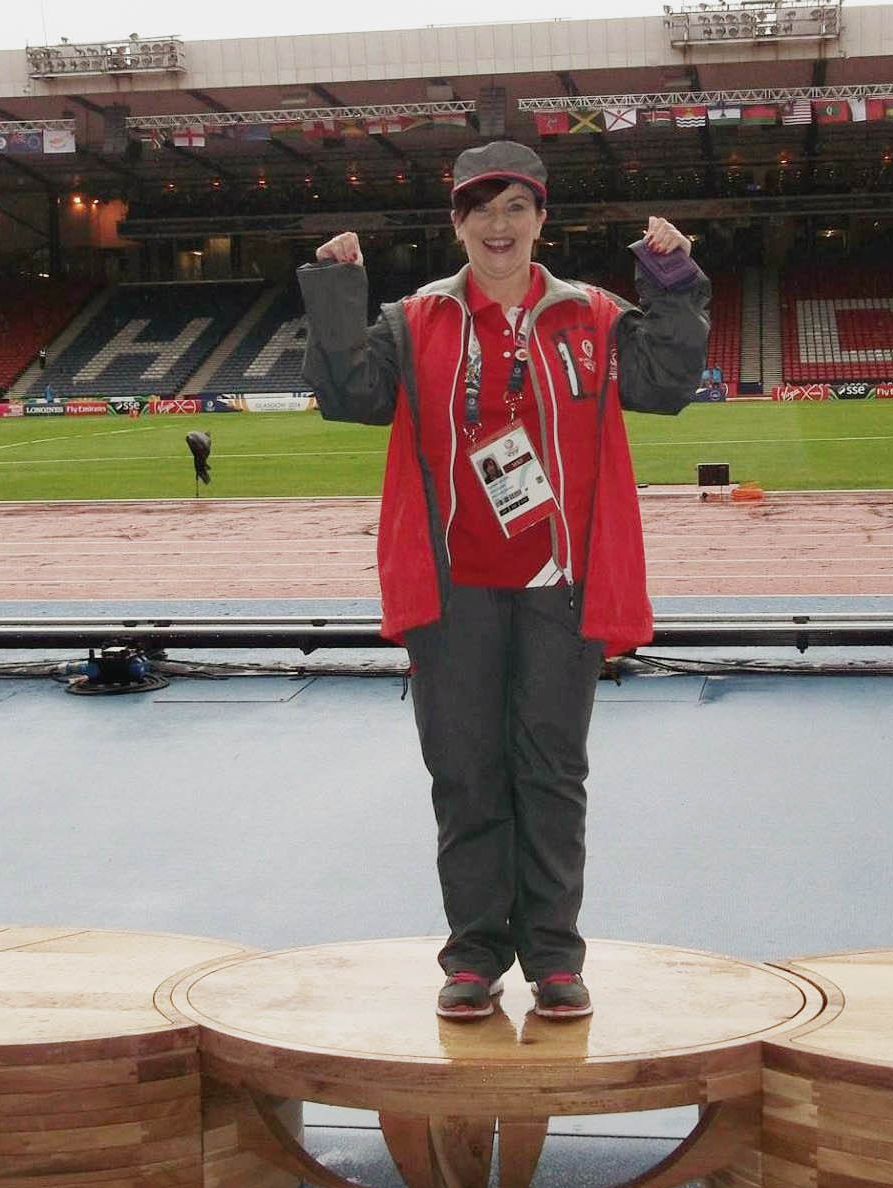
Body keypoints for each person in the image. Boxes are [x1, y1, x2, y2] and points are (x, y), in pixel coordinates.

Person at [298, 141, 709, 1021]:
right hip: (452, 591)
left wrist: (673, 281)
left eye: (515, 206)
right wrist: (337, 294)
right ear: (457, 222)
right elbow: (347, 393)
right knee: (465, 771)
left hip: (562, 587)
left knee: (552, 772)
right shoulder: (412, 323)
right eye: (480, 207)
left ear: (540, 220)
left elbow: (670, 383)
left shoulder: (595, 315)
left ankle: (556, 957)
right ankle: (476, 952)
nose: (498, 224)